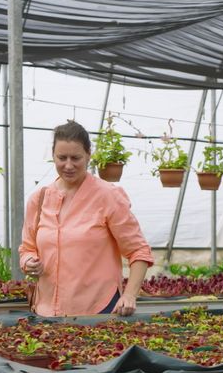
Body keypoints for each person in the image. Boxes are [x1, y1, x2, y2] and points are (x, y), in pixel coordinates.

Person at [19, 120, 154, 317]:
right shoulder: (39, 199)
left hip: (98, 311)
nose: (68, 165)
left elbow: (139, 251)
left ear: (89, 155)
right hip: (46, 313)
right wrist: (29, 261)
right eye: (61, 157)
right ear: (53, 156)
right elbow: (27, 248)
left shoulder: (107, 196)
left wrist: (130, 295)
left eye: (76, 158)